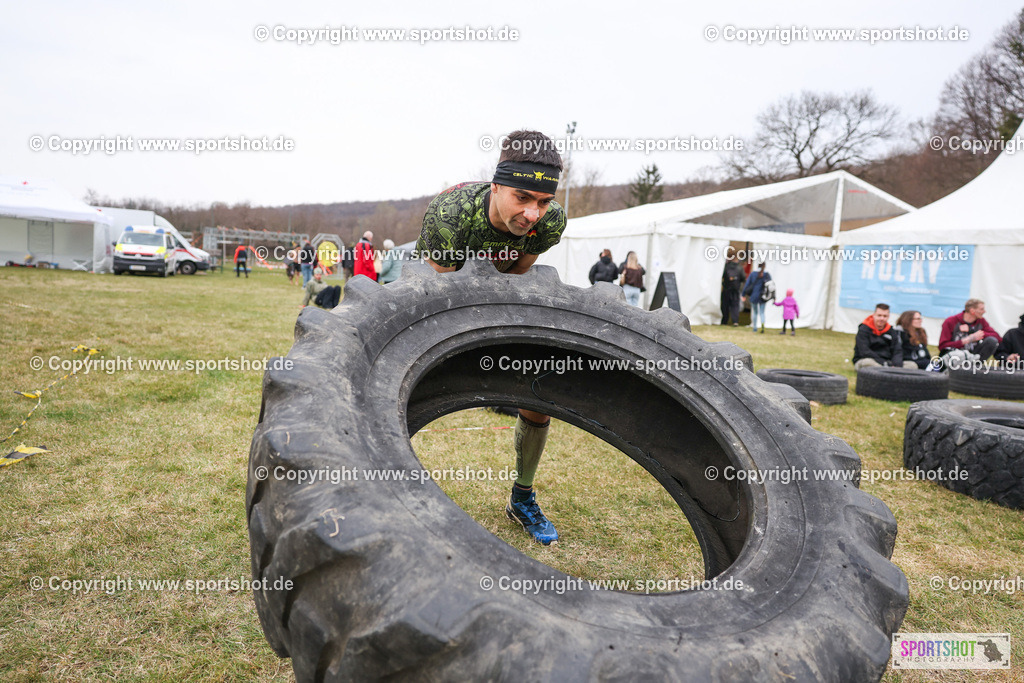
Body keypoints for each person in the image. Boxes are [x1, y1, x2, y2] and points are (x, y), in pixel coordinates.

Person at [416, 129, 566, 545]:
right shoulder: (451, 213)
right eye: (523, 197)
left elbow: (515, 280)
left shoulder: (549, 222)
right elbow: (442, 298)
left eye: (543, 201)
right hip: (432, 299)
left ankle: (522, 498)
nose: (533, 214)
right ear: (496, 185)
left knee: (537, 394)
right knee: (409, 386)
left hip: (499, 298)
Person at [938, 299, 1001, 363]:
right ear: (972, 311)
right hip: (954, 356)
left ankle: (975, 365)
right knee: (958, 354)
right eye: (981, 309)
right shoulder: (951, 321)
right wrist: (967, 340)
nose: (984, 311)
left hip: (972, 356)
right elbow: (943, 346)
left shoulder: (981, 321)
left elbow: (998, 337)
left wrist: (975, 332)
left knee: (992, 341)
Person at [852, 303, 903, 368]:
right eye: (879, 315)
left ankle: (890, 371)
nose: (882, 318)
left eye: (885, 316)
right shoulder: (863, 330)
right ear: (874, 315)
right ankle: (886, 371)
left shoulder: (891, 331)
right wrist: (883, 363)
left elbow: (897, 350)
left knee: (910, 365)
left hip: (888, 362)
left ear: (888, 317)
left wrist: (896, 365)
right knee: (868, 363)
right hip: (867, 359)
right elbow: (864, 351)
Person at [742, 262, 772, 333]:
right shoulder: (766, 274)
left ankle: (755, 327)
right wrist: (773, 296)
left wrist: (743, 294)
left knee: (755, 312)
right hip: (763, 296)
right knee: (762, 312)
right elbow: (771, 286)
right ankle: (762, 326)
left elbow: (747, 284)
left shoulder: (753, 274)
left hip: (754, 296)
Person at [720, 249, 744, 325]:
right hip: (735, 289)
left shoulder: (726, 267)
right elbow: (743, 278)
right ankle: (735, 321)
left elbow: (722, 276)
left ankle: (724, 321)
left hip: (726, 289)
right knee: (735, 305)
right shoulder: (740, 268)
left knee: (725, 306)